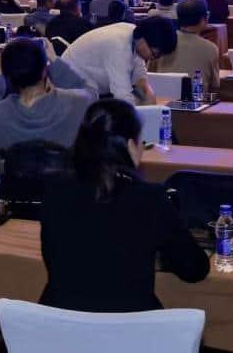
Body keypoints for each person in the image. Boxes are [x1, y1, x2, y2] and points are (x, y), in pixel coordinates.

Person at [39, 99, 208, 312]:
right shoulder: (151, 199)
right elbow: (194, 269)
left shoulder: (54, 192)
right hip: (132, 327)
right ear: (129, 146)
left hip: (60, 324)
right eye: (140, 142)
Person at [0, 38, 93, 150]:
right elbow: (89, 92)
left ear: (7, 75)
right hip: (65, 168)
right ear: (44, 71)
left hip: (15, 169)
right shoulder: (75, 104)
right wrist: (54, 60)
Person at [61, 17, 174, 104]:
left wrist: (148, 94)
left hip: (86, 84)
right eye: (154, 54)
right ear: (143, 40)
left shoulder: (135, 36)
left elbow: (139, 77)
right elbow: (123, 95)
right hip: (72, 82)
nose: (152, 58)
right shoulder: (118, 46)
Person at [153, 0, 221, 92]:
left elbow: (150, 75)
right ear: (205, 18)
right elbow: (214, 86)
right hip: (197, 100)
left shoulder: (161, 41)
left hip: (161, 99)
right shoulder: (211, 49)